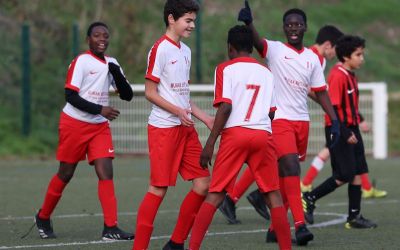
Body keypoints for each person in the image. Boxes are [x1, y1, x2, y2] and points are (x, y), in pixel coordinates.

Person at [231, 1, 341, 246]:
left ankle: (274, 229)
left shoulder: (313, 60)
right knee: (291, 168)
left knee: (285, 178)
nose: (293, 28)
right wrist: (249, 23)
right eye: (289, 24)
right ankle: (300, 226)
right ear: (284, 28)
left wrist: (334, 121)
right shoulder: (276, 49)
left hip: (302, 122)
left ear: (305, 28)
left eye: (298, 24)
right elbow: (258, 42)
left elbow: (321, 92)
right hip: (279, 120)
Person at [188, 24, 292, 250]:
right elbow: (272, 111)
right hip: (263, 134)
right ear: (252, 49)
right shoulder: (266, 72)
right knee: (273, 196)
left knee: (215, 195)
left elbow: (225, 107)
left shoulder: (225, 69)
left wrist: (210, 143)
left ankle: (193, 247)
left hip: (235, 135)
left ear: (230, 48)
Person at [34, 22, 134, 240]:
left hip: (99, 127)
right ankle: (43, 216)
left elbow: (127, 95)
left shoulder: (112, 63)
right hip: (74, 123)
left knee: (105, 171)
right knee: (66, 173)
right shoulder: (81, 61)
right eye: (97, 35)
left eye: (105, 36)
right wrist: (101, 109)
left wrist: (115, 73)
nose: (102, 39)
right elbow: (70, 96)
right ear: (88, 39)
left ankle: (111, 228)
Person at [132, 1, 213, 250]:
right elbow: (150, 92)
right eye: (188, 20)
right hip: (163, 129)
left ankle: (176, 243)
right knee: (158, 188)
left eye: (194, 21)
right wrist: (177, 111)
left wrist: (206, 118)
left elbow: (183, 96)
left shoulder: (185, 51)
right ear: (171, 19)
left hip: (185, 129)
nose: (192, 25)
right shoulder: (160, 49)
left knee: (203, 184)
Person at [301, 27, 388, 199]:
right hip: (338, 126)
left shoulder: (350, 75)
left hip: (349, 126)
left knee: (358, 168)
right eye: (358, 55)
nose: (362, 59)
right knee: (344, 173)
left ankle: (355, 215)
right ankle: (309, 195)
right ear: (346, 56)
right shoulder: (335, 73)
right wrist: (344, 130)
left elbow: (350, 105)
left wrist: (359, 120)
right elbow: (330, 104)